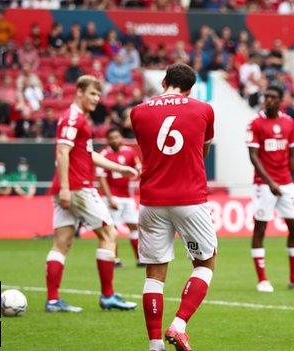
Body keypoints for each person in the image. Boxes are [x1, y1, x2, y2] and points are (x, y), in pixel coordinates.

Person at [131, 63, 217, 351]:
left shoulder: (138, 111)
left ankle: (155, 345)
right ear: (191, 88)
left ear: (164, 81)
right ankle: (179, 324)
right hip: (189, 198)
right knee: (205, 263)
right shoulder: (203, 109)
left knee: (154, 274)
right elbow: (203, 149)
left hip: (152, 200)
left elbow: (147, 149)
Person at [46, 75, 139, 313]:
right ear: (79, 92)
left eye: (99, 95)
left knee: (62, 242)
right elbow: (62, 152)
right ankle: (108, 296)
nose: (97, 99)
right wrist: (66, 187)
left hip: (69, 186)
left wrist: (120, 168)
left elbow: (87, 155)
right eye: (92, 94)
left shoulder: (79, 119)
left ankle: (53, 300)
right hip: (77, 186)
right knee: (109, 232)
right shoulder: (73, 118)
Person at [246, 85, 294, 293]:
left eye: (272, 97)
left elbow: (291, 157)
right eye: (266, 96)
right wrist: (270, 182)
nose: (268, 99)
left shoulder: (288, 122)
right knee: (260, 228)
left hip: (286, 184)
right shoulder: (255, 123)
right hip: (264, 185)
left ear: (280, 101)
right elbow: (253, 156)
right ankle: (262, 279)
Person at [97, 128, 142, 267]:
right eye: (112, 138)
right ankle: (114, 259)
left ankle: (140, 259)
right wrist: (109, 198)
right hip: (112, 197)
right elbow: (101, 178)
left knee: (134, 226)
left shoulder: (129, 151)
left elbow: (138, 167)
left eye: (117, 137)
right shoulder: (103, 154)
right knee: (112, 228)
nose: (115, 140)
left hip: (127, 197)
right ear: (108, 140)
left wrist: (137, 171)